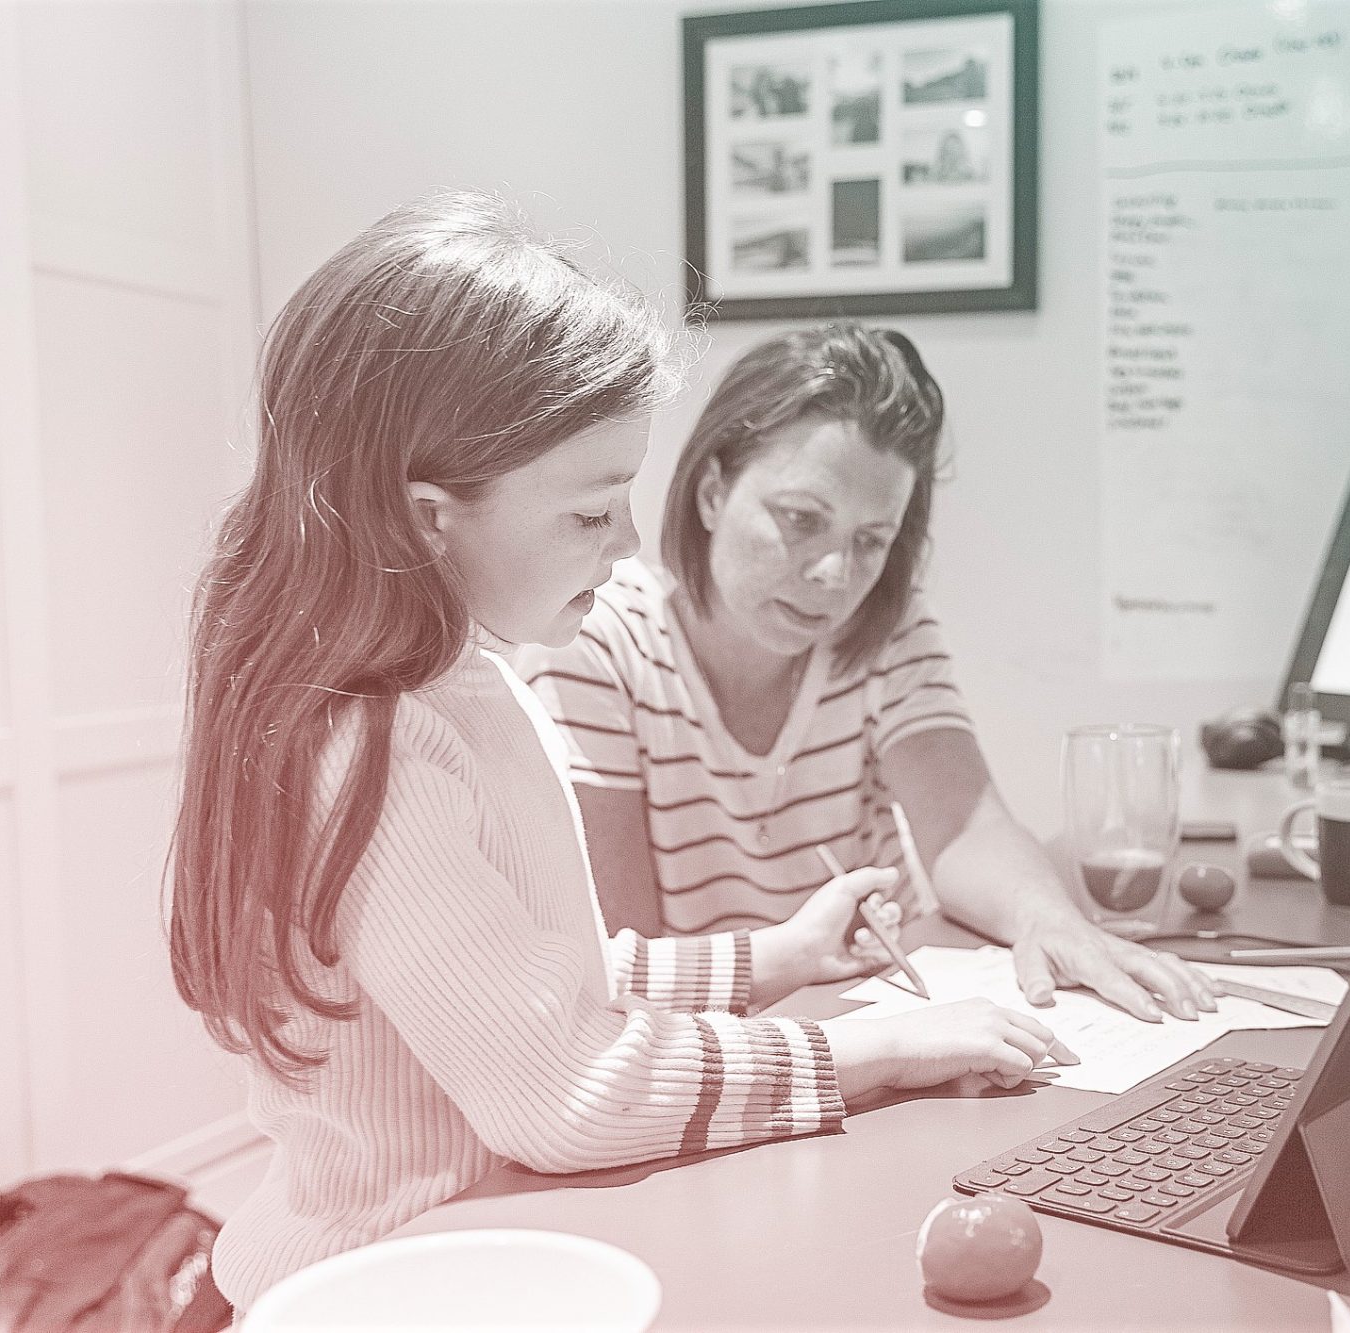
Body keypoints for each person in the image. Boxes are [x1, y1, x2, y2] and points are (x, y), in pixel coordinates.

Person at [165, 195, 1064, 1314]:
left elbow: (543, 980)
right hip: (385, 1284)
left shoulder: (470, 688)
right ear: (428, 518)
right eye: (592, 514)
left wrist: (769, 961)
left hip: (492, 1243)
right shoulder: (374, 747)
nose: (630, 545)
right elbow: (566, 1086)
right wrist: (872, 1053)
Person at [523, 324, 1219, 1024]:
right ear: (712, 492)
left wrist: (1051, 919)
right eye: (801, 519)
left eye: (871, 541)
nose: (835, 575)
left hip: (890, 1008)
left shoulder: (884, 625)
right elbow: (624, 956)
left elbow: (964, 828)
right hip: (723, 1041)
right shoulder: (598, 641)